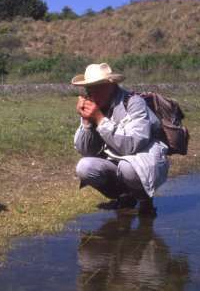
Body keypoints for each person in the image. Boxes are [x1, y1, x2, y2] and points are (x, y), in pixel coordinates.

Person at [72, 63, 169, 214]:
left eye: (97, 88)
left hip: (143, 160)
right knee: (84, 167)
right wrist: (86, 122)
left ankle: (145, 200)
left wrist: (99, 120)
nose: (92, 94)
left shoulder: (134, 103)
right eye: (89, 89)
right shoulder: (95, 106)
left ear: (111, 86)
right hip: (115, 159)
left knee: (127, 167)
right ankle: (124, 198)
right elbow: (86, 151)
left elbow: (131, 146)